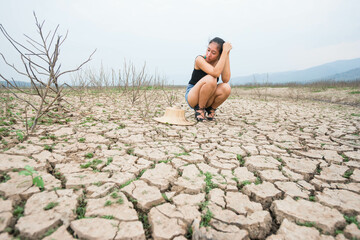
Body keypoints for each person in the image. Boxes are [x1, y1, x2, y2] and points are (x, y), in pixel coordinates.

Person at [185, 37, 232, 122]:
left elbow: (225, 79)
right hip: (193, 96)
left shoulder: (219, 63)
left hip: (208, 96)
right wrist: (224, 52)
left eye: (213, 53)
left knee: (226, 87)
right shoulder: (200, 59)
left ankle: (211, 109)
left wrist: (226, 53)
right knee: (211, 78)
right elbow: (215, 73)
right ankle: (199, 109)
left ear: (219, 55)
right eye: (208, 50)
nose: (209, 54)